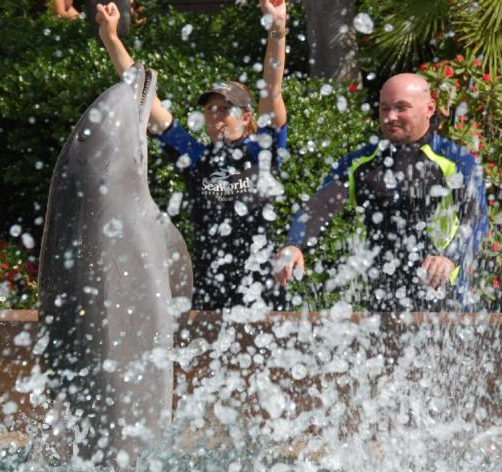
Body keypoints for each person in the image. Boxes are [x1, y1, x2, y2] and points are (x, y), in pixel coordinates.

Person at [96, 0, 290, 310]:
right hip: (210, 294)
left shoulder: (262, 151)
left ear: (246, 117)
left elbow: (272, 90)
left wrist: (277, 28)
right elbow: (147, 104)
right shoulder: (198, 158)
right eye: (210, 109)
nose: (215, 116)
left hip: (262, 294)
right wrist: (111, 38)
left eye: (225, 108)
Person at [274, 73, 488, 311]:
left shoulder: (455, 160)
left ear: (429, 109)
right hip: (382, 302)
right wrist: (295, 243)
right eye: (384, 108)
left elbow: (476, 218)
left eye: (401, 108)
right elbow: (319, 207)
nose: (390, 117)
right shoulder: (363, 162)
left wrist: (450, 257)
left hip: (444, 304)